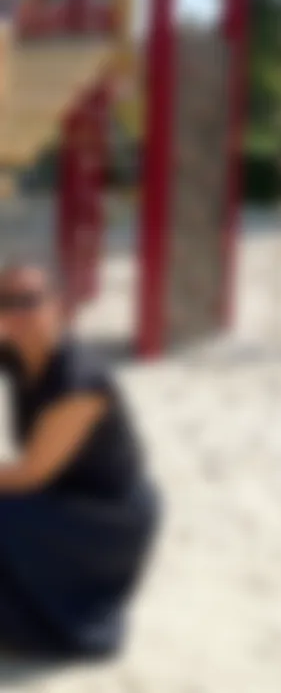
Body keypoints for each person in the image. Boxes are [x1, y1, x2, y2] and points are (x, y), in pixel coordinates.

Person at [0, 262, 159, 658]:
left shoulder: (78, 382)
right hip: (64, 492)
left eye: (28, 301)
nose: (15, 312)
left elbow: (30, 475)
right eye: (5, 302)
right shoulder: (22, 352)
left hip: (104, 516)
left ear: (60, 306)